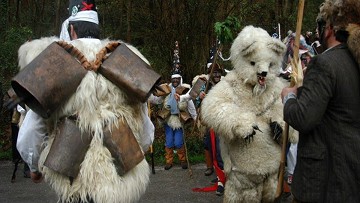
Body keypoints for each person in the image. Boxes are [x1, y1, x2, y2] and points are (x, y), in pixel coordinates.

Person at [16, 0, 155, 202]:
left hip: (74, 184)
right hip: (121, 183)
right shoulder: (126, 61)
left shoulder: (53, 62)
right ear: (97, 30)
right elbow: (145, 131)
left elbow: (31, 131)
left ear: (71, 29)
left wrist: (33, 165)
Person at [281, 0, 360, 202]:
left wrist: (288, 96)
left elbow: (303, 118)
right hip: (351, 173)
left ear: (330, 29)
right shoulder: (354, 62)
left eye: (320, 26)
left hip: (323, 180)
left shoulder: (324, 63)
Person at [150, 71, 197, 170]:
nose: (175, 80)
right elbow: (157, 100)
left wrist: (195, 117)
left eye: (177, 79)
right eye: (173, 79)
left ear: (180, 79)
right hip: (167, 119)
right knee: (169, 142)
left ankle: (183, 160)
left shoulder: (184, 90)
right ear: (171, 79)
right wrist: (148, 96)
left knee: (179, 142)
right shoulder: (166, 89)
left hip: (179, 120)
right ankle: (169, 161)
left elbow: (190, 105)